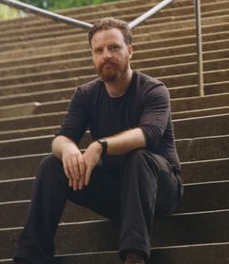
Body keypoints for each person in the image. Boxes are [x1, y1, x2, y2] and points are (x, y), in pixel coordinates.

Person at [13, 17, 183, 264]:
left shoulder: (153, 90)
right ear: (92, 56)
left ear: (129, 51)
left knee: (139, 158)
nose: (107, 56)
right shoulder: (86, 95)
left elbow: (149, 134)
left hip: (160, 190)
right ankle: (31, 256)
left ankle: (134, 256)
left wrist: (100, 146)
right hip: (117, 194)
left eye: (114, 47)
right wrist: (68, 149)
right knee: (52, 165)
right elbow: (62, 137)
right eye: (99, 50)